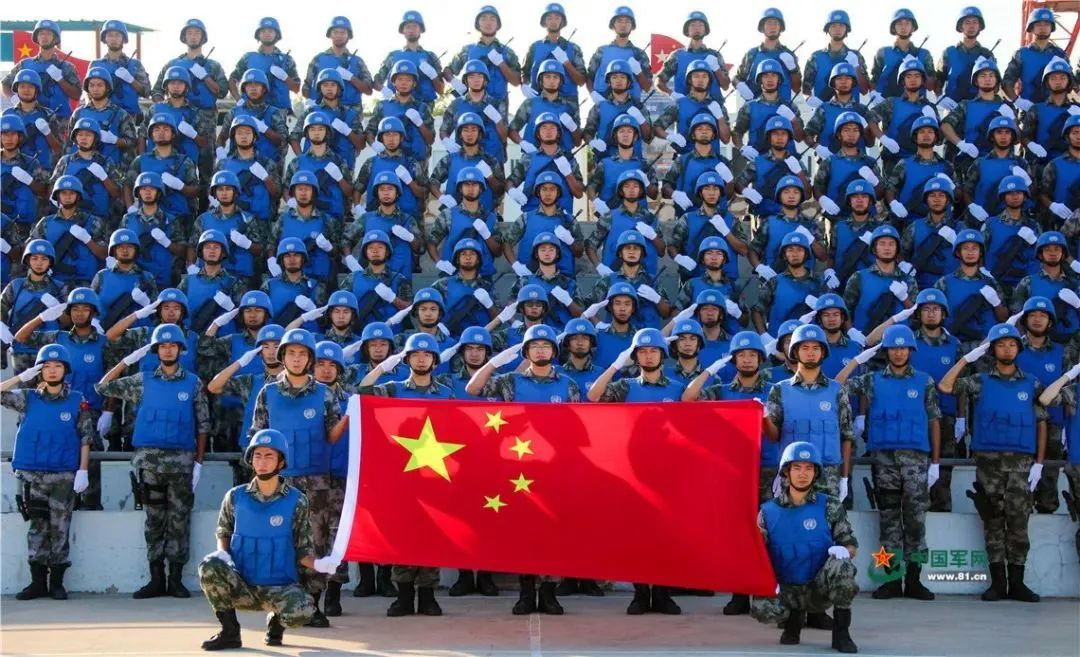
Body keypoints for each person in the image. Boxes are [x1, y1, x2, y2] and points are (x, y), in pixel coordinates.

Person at [466, 324, 580, 615]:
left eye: (545, 345)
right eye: (534, 346)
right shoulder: (510, 381)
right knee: (523, 532)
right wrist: (495, 362)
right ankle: (526, 592)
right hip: (518, 469)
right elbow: (473, 389)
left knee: (553, 532)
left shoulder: (568, 385)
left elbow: (577, 427)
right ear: (526, 352)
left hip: (554, 468)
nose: (540, 350)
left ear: (554, 351)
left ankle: (549, 593)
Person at [95, 323, 210, 599]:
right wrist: (127, 361)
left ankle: (175, 580)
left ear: (180, 349)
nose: (168, 350)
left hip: (181, 462)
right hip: (149, 463)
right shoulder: (142, 380)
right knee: (154, 520)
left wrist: (198, 462)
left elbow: (203, 425)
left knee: (180, 520)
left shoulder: (193, 383)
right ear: (156, 350)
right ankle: (156, 578)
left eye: (172, 346)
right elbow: (102, 387)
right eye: (162, 346)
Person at [197, 429, 336, 650]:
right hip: (243, 586)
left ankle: (276, 624)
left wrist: (321, 565)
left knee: (303, 611)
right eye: (257, 456)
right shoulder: (235, 497)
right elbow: (223, 533)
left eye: (269, 456)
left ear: (281, 462)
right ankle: (230, 631)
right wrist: (223, 553)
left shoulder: (297, 501)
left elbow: (302, 550)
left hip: (279, 588)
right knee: (209, 566)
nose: (262, 462)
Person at [937, 323, 1047, 602]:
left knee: (1019, 522)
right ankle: (998, 583)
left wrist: (1039, 463)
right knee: (992, 521)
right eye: (1000, 345)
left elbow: (1042, 423)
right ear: (992, 350)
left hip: (1021, 463)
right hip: (988, 463)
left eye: (1011, 345)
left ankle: (1018, 583)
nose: (1007, 349)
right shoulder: (979, 381)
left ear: (1019, 349)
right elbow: (945, 386)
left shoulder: (1032, 383)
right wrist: (966, 359)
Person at [246, 328, 347, 626]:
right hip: (280, 484)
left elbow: (332, 436)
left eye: (303, 354)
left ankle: (312, 605)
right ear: (283, 357)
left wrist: (350, 415)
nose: (297, 358)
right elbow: (257, 439)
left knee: (315, 544)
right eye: (291, 353)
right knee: (279, 544)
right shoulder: (268, 393)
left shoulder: (324, 394)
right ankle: (279, 607)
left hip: (316, 483)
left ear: (310, 359)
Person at [837, 325, 940, 600]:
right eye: (893, 348)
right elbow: (838, 384)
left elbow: (934, 420)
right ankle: (891, 579)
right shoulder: (872, 380)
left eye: (903, 348)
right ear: (885, 351)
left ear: (911, 350)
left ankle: (915, 580)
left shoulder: (924, 381)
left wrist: (935, 462)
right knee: (889, 522)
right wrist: (858, 359)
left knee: (916, 522)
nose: (898, 352)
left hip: (916, 460)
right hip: (884, 460)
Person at [587, 328, 685, 615]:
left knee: (666, 535)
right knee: (638, 535)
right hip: (633, 472)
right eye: (642, 351)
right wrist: (616, 365)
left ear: (663, 355)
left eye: (653, 351)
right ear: (635, 356)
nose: (648, 355)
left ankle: (663, 593)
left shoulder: (678, 389)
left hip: (668, 473)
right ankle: (641, 593)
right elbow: (594, 396)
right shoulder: (625, 386)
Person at [359, 333, 454, 616]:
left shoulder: (445, 393)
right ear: (407, 359)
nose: (421, 359)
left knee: (431, 535)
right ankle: (403, 596)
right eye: (415, 355)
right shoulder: (392, 389)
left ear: (435, 360)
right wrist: (384, 366)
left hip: (434, 473)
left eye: (426, 355)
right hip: (400, 475)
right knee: (402, 534)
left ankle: (427, 595)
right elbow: (362, 390)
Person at [1, 344, 93, 601]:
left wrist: (83, 471)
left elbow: (86, 438)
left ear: (65, 370)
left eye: (57, 366)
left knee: (60, 528)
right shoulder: (27, 398)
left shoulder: (77, 400)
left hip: (64, 476)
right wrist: (21, 377)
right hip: (33, 476)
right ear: (39, 371)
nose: (52, 371)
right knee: (37, 528)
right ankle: (37, 583)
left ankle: (57, 584)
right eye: (46, 366)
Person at [751, 441, 859, 654]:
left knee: (843, 567)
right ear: (786, 472)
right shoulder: (767, 513)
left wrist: (845, 551)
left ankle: (841, 634)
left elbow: (850, 544)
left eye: (809, 468)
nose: (803, 474)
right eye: (797, 468)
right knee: (763, 609)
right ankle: (793, 620)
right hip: (785, 589)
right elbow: (757, 555)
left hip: (817, 588)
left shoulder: (830, 506)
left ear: (816, 473)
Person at [228, 18, 300, 113]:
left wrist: (285, 77)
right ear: (258, 34)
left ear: (277, 34)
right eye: (263, 31)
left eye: (270, 31)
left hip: (279, 111)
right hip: (251, 110)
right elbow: (232, 80)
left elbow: (296, 88)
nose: (267, 34)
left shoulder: (287, 60)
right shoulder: (248, 58)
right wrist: (239, 100)